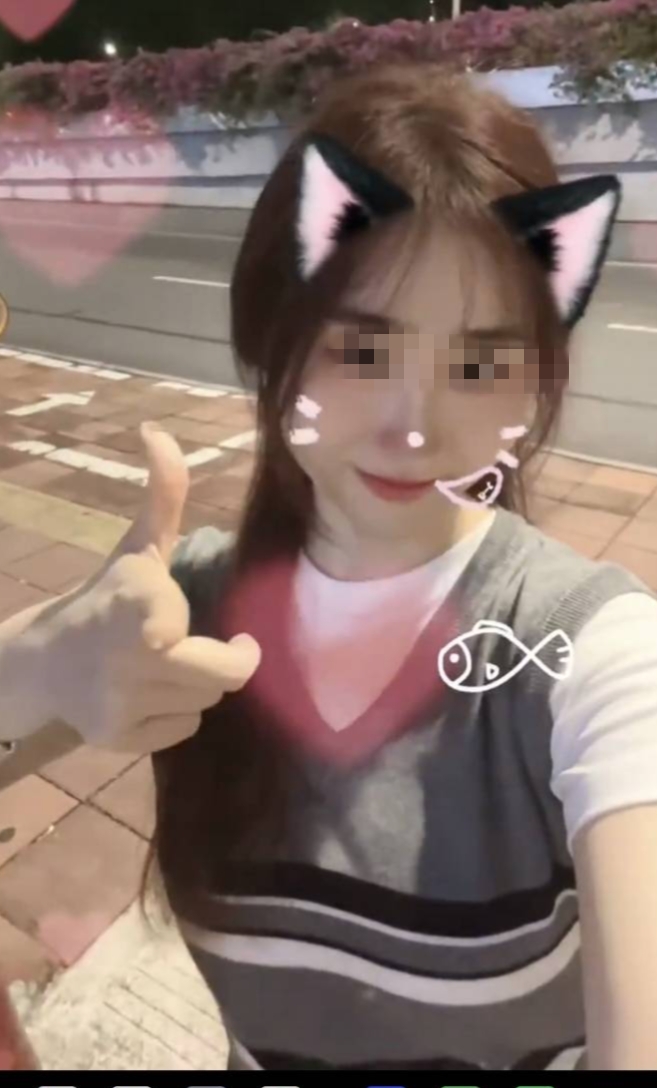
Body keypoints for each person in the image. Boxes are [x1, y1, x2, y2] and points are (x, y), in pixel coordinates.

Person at [2, 63, 657, 1072]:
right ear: (276, 341)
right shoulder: (183, 617)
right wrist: (40, 667)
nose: (414, 425)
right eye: (361, 350)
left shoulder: (584, 649)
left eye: (479, 365)